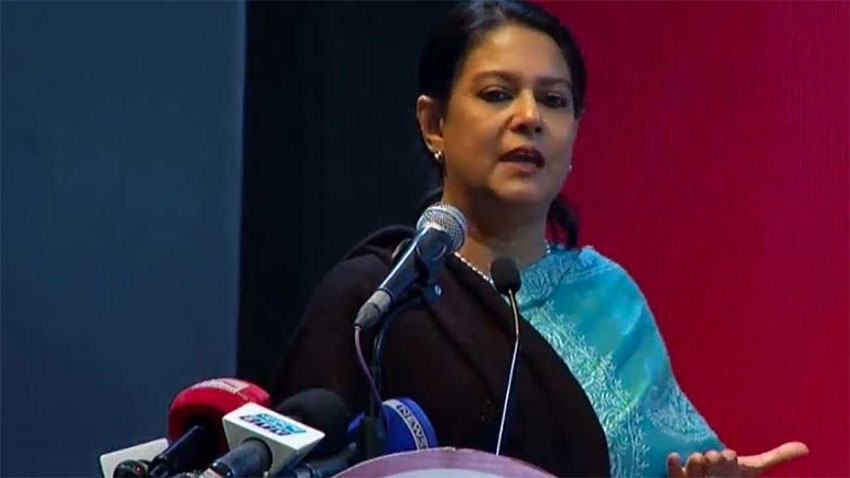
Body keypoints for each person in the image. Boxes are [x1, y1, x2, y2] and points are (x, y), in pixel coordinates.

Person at [271, 1, 808, 476]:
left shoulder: (608, 301)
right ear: (434, 123)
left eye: (553, 100)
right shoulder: (374, 302)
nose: (529, 117)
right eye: (497, 94)